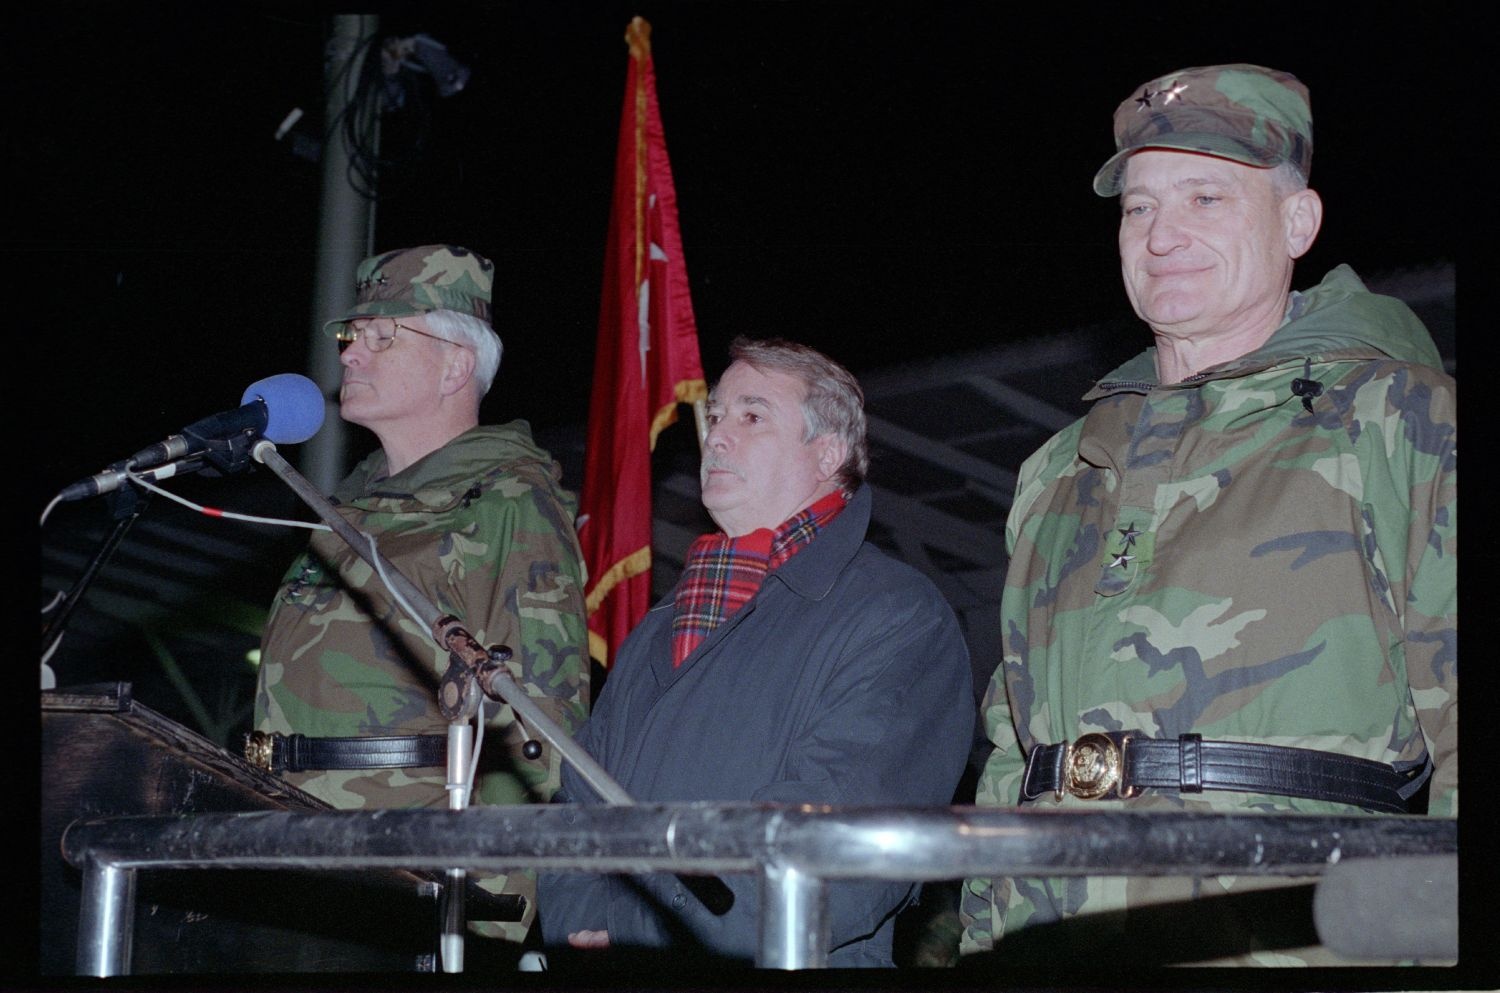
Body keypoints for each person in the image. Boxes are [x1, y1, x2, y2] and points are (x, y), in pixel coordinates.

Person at [959, 65, 1456, 966]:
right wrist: (985, 946)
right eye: (1139, 208)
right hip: (1053, 944)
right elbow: (1011, 751)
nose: (1163, 235)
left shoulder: (1399, 418)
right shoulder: (1057, 471)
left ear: (1297, 223)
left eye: (1205, 197)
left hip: (1286, 938)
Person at [537, 337, 975, 967]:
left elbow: (836, 848)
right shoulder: (664, 623)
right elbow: (579, 800)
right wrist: (583, 928)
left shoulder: (897, 616)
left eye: (752, 416)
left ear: (827, 452)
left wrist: (639, 932)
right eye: (716, 416)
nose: (715, 436)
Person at [250, 244, 590, 944]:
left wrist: (482, 909)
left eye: (382, 336)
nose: (350, 355)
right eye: (352, 336)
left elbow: (541, 724)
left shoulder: (506, 499)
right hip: (289, 854)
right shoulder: (346, 506)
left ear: (455, 365)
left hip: (405, 881)